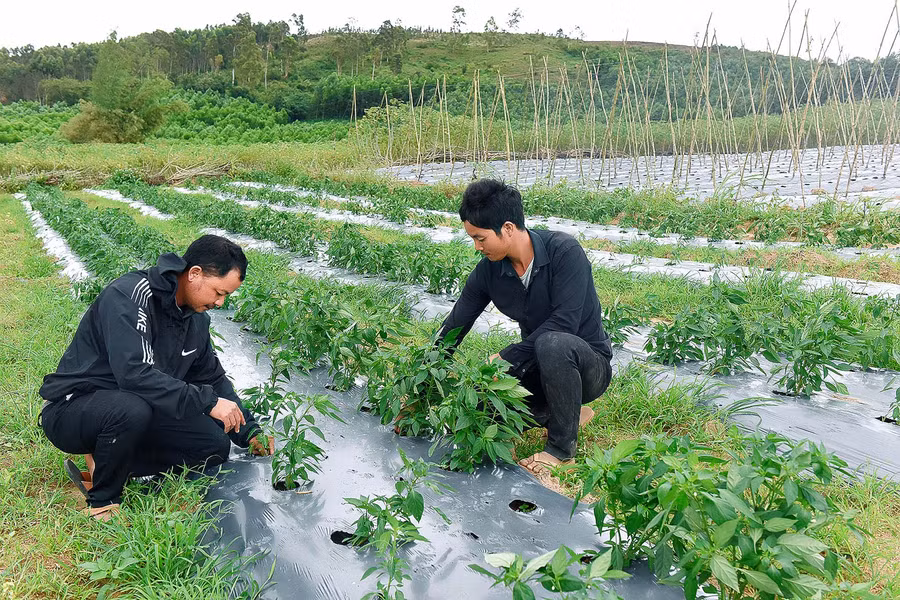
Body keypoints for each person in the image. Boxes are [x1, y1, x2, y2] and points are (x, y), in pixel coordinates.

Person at [39, 234, 272, 520]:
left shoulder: (196, 319)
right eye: (219, 292)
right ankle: (103, 500)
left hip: (135, 406)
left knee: (213, 445)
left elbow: (211, 378)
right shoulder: (130, 295)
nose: (221, 302)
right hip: (75, 409)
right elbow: (134, 374)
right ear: (195, 274)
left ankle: (107, 460)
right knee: (130, 409)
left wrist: (248, 431)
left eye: (227, 296)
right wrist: (207, 402)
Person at [439, 179, 613, 475]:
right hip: (536, 369)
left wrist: (505, 357)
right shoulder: (489, 272)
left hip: (586, 367)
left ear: (507, 228)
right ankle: (567, 413)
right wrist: (424, 380)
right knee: (481, 408)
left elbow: (565, 323)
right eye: (472, 239)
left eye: (480, 238)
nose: (476, 247)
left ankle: (561, 450)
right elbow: (454, 327)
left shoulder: (564, 252)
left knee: (553, 343)